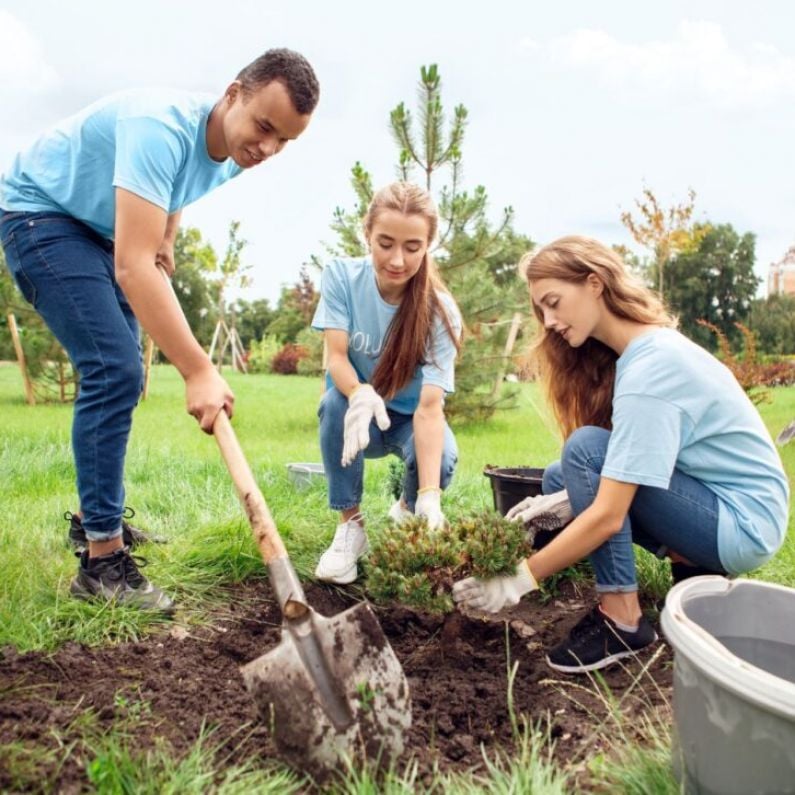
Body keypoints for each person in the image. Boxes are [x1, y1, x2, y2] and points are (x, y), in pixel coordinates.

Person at [0, 48, 319, 612]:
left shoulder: (229, 150)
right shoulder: (159, 127)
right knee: (114, 368)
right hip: (39, 213)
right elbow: (131, 264)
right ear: (232, 94)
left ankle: (92, 521)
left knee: (121, 372)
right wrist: (198, 369)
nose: (268, 149)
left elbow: (176, 187)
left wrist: (169, 232)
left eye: (285, 142)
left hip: (91, 227)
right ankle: (101, 563)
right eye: (265, 127)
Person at [453, 236, 789, 673]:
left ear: (594, 283)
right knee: (561, 477)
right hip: (724, 509)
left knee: (586, 455)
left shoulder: (653, 367)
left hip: (742, 524)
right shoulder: (643, 350)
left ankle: (622, 620)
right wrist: (566, 497)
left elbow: (610, 513)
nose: (549, 321)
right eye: (541, 311)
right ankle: (693, 571)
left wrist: (520, 578)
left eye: (554, 303)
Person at [312, 181, 462, 585]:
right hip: (356, 417)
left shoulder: (439, 313)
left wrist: (429, 495)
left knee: (443, 459)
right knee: (333, 404)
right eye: (385, 243)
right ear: (367, 235)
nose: (397, 259)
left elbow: (430, 409)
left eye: (413, 247)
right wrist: (359, 392)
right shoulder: (342, 277)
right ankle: (351, 528)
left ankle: (408, 508)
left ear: (429, 244)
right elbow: (338, 356)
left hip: (411, 421)